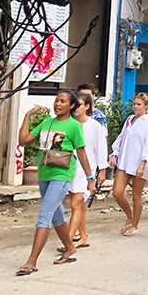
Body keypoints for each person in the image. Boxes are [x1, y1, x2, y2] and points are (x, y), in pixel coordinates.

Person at [15, 90, 94, 275]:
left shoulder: (74, 126)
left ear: (71, 106)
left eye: (63, 101)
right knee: (56, 215)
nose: (57, 104)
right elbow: (23, 139)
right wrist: (27, 115)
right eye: (56, 100)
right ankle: (70, 248)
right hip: (44, 174)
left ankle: (31, 262)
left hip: (62, 174)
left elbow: (81, 153)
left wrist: (90, 178)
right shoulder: (46, 123)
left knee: (45, 215)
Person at [109, 93, 148, 236]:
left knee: (136, 195)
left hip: (139, 162)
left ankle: (135, 224)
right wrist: (114, 153)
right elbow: (121, 137)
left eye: (139, 104)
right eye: (134, 104)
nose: (135, 107)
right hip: (125, 160)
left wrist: (143, 164)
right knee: (117, 192)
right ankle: (129, 216)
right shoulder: (129, 120)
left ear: (145, 106)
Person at [64, 92, 106, 249]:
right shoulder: (70, 124)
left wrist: (102, 171)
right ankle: (83, 237)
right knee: (78, 205)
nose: (75, 108)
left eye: (79, 104)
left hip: (86, 170)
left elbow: (101, 149)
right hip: (70, 168)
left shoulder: (95, 126)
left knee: (76, 203)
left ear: (87, 106)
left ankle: (68, 240)